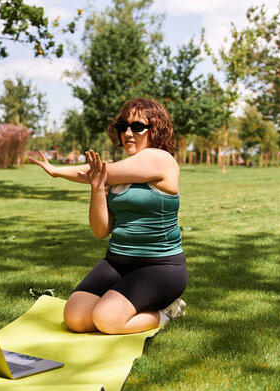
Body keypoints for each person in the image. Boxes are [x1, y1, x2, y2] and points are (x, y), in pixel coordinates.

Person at [29, 98, 187, 334]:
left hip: (160, 268)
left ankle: (166, 312)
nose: (128, 133)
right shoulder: (114, 175)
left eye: (137, 127)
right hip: (117, 262)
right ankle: (127, 303)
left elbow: (95, 171)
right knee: (76, 318)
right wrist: (97, 187)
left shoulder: (161, 159)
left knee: (107, 320)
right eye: (124, 127)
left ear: (155, 130)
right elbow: (101, 230)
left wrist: (57, 171)